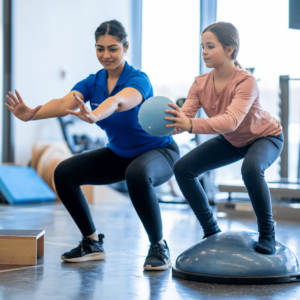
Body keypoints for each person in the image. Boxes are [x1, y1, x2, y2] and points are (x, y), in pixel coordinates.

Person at [5, 20, 180, 270]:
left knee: (137, 173)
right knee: (64, 172)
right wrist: (34, 114)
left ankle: (158, 245)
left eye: (113, 48)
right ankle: (92, 242)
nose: (106, 55)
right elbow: (65, 101)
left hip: (159, 153)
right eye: (100, 49)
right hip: (121, 154)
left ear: (126, 46)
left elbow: (119, 101)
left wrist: (95, 115)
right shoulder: (93, 82)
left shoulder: (138, 79)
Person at [164, 22, 283, 255]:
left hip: (264, 137)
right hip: (233, 140)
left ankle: (267, 233)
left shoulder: (245, 81)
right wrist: (165, 126)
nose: (204, 52)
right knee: (183, 169)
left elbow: (230, 121)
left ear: (229, 49)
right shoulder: (199, 84)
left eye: (210, 46)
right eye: (202, 47)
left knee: (251, 169)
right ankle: (210, 231)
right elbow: (185, 118)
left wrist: (189, 125)